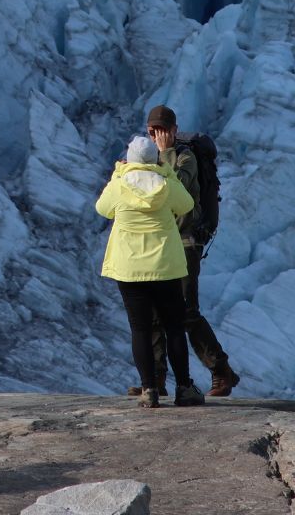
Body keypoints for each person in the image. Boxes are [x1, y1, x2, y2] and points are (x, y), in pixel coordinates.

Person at [140, 104, 242, 397]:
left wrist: (167, 153)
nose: (157, 136)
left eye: (162, 130)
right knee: (155, 313)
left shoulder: (185, 158)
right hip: (159, 242)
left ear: (173, 130)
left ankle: (221, 371)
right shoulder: (151, 158)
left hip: (185, 242)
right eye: (152, 131)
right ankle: (156, 380)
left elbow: (178, 191)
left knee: (185, 311)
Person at [96, 135, 202, 408]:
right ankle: (183, 388)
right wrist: (166, 171)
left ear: (130, 159)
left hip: (130, 269)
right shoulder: (166, 184)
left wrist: (117, 174)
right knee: (174, 328)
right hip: (165, 267)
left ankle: (149, 389)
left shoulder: (119, 185)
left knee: (140, 329)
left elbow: (103, 209)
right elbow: (187, 205)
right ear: (155, 158)